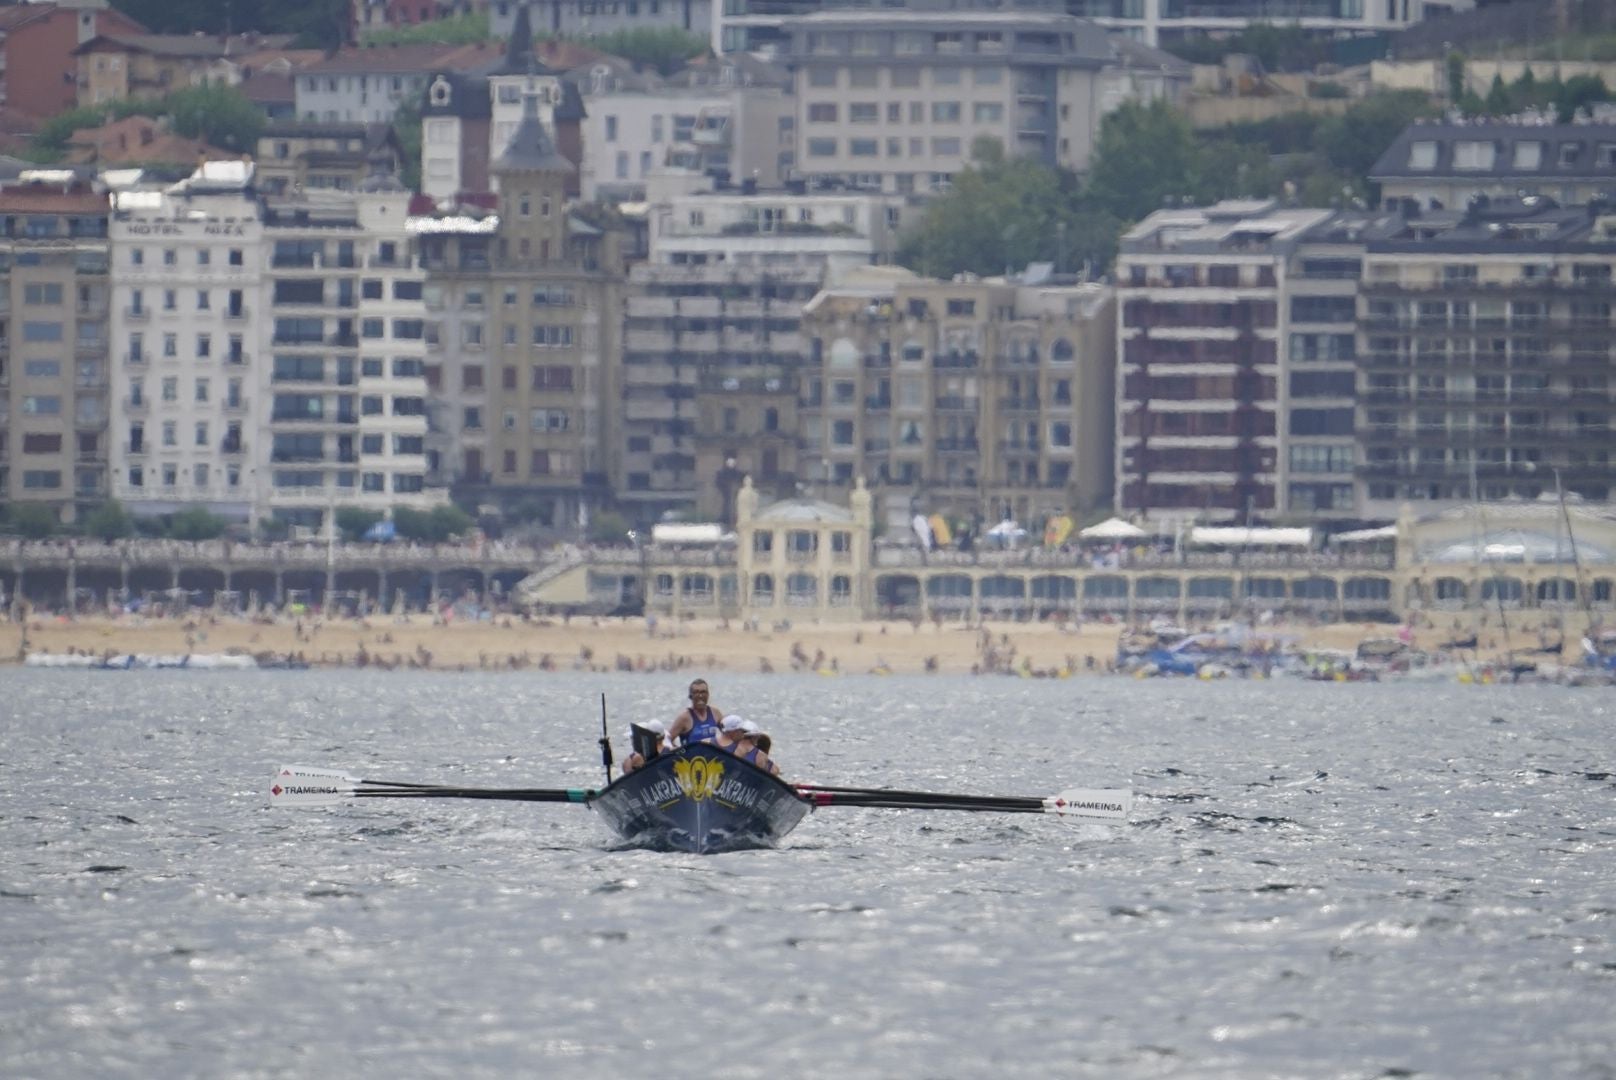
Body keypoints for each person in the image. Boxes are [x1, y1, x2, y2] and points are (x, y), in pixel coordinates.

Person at [667, 677, 723, 746]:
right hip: (691, 756)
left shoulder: (716, 713)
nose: (700, 696)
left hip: (712, 756)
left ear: (708, 695)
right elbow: (667, 740)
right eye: (696, 692)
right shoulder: (684, 718)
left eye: (703, 692)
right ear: (690, 696)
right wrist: (679, 752)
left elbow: (729, 735)